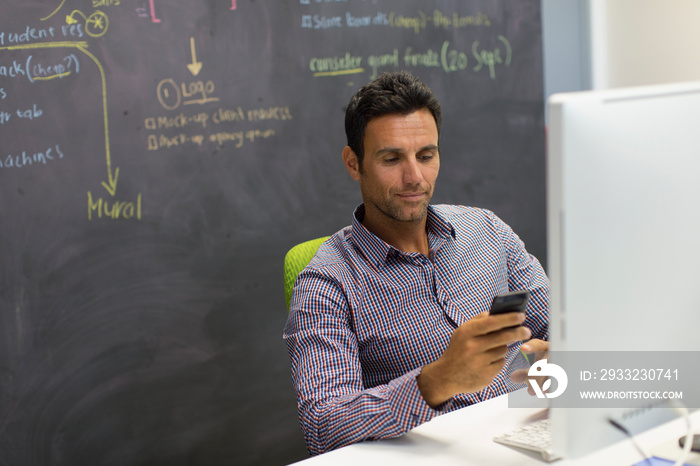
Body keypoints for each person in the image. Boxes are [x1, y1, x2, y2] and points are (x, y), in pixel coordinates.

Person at [283, 70, 549, 456]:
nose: (415, 177)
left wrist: (565, 357)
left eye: (426, 156)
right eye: (391, 158)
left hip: (520, 434)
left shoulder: (487, 230)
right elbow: (323, 425)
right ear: (354, 163)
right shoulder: (326, 284)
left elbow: (556, 323)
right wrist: (437, 381)